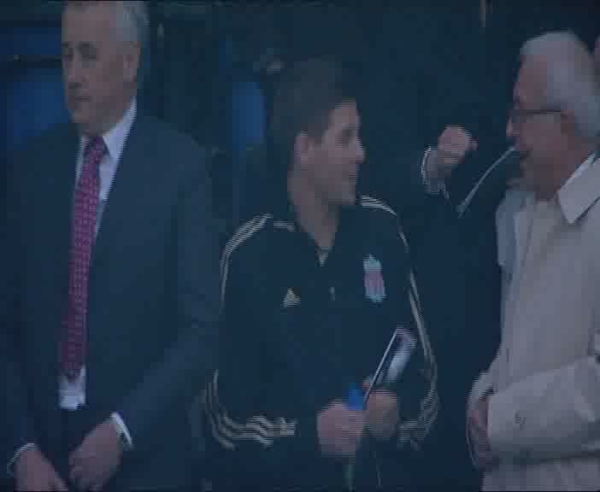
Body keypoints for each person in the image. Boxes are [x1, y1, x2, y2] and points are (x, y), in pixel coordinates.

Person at [1, 1, 220, 490]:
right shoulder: (30, 170)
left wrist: (122, 430)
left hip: (142, 459)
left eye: (88, 55)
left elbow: (201, 332)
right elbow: (5, 325)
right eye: (66, 56)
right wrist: (20, 450)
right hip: (40, 459)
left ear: (129, 62)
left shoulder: (180, 169)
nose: (73, 75)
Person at [202, 58, 438, 490]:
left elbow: (427, 391)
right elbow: (221, 424)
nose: (361, 153)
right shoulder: (250, 256)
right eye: (345, 138)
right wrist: (308, 437)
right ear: (304, 149)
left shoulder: (383, 233)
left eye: (359, 137)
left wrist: (395, 419)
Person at [467, 31, 600, 490]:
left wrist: (500, 419)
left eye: (520, 113)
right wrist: (481, 401)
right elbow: (518, 356)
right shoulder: (531, 213)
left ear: (564, 121)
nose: (509, 131)